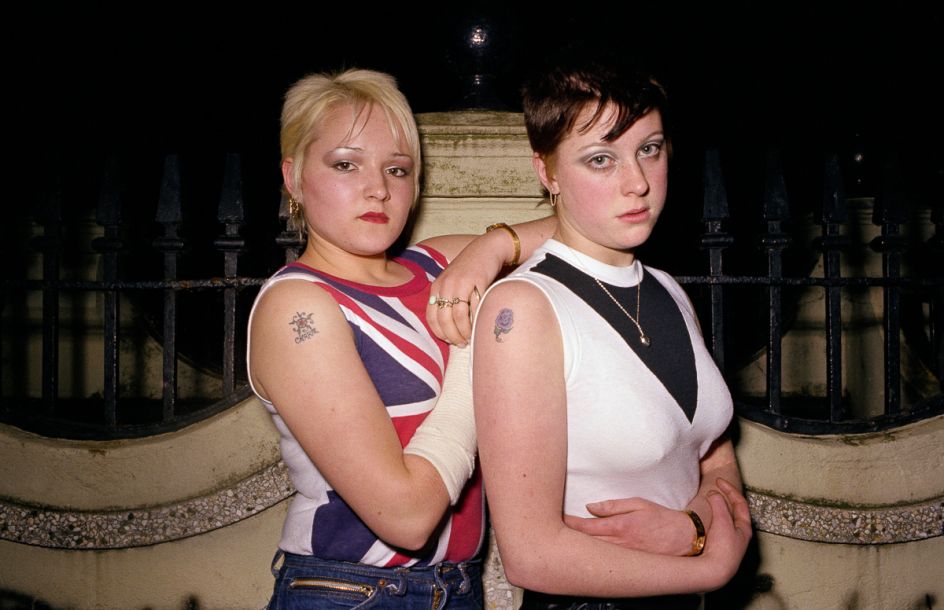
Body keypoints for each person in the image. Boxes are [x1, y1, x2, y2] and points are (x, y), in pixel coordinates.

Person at [246, 68, 554, 608]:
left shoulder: (434, 262)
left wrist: (491, 247)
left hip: (459, 587)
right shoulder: (298, 305)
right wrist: (471, 359)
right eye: (345, 164)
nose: (378, 188)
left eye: (397, 168)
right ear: (293, 179)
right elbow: (408, 517)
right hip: (350, 590)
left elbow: (585, 231)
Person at [470, 54, 753, 609]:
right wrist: (711, 565)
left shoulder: (668, 289)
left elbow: (715, 457)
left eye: (649, 148)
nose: (638, 182)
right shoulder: (525, 311)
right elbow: (530, 554)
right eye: (601, 159)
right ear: (547, 172)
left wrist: (692, 528)